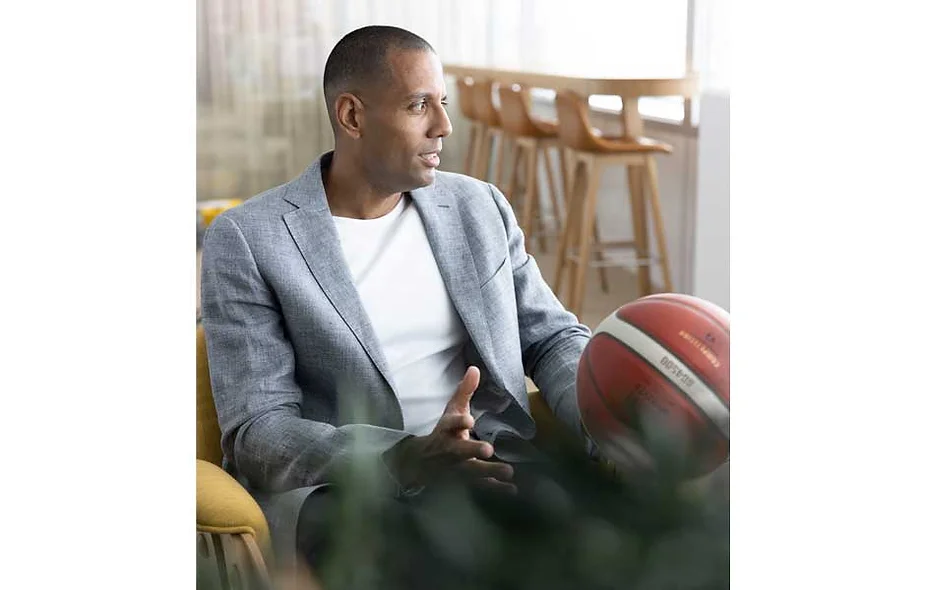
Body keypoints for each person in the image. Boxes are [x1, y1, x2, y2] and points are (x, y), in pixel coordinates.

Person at [200, 24, 602, 582]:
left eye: (443, 103)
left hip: (493, 466)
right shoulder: (249, 238)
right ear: (352, 116)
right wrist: (405, 457)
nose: (443, 126)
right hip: (353, 492)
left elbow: (552, 337)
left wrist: (609, 416)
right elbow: (258, 430)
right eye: (418, 105)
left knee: (614, 535)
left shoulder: (478, 207)